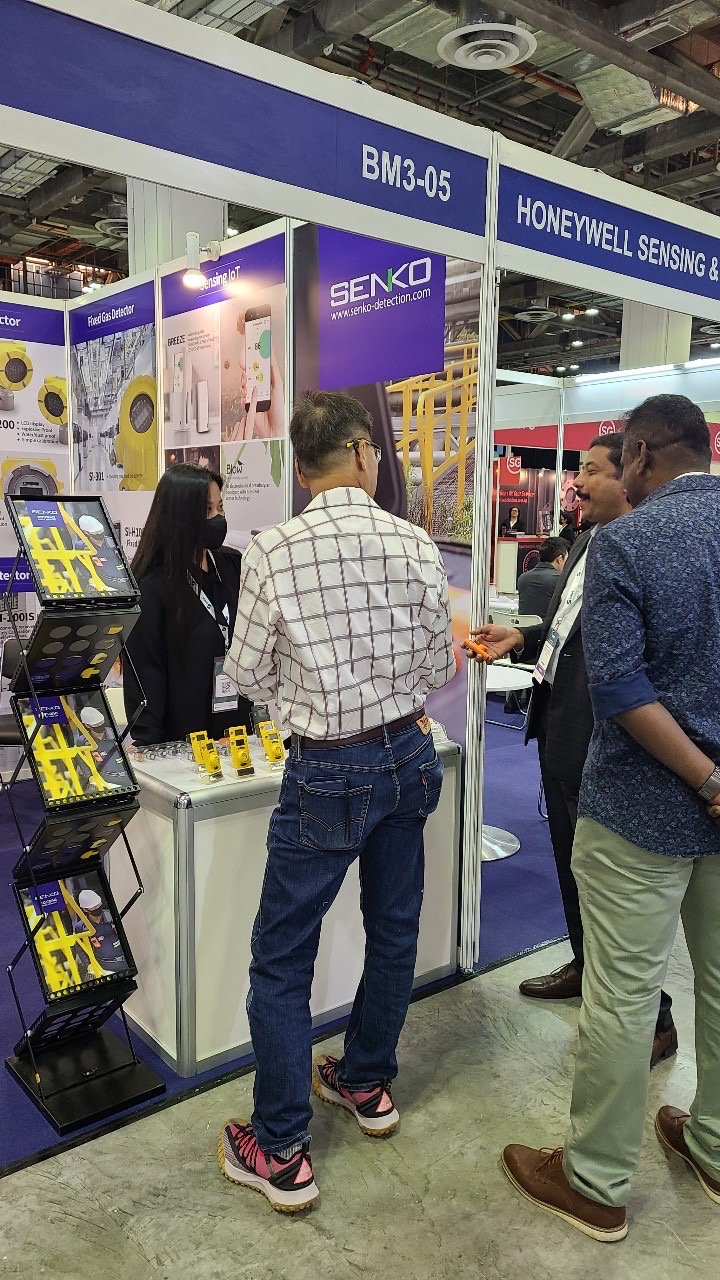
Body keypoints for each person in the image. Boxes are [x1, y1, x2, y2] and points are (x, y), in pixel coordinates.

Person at [218, 391, 454, 1212]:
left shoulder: (272, 549)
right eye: (377, 451)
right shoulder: (414, 540)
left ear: (302, 468)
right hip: (408, 752)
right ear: (360, 452)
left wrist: (308, 689)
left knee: (283, 957)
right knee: (394, 928)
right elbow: (439, 664)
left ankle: (281, 1148)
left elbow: (246, 672)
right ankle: (366, 1080)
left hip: (326, 766)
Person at [501, 394, 720, 1242]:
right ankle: (713, 1145)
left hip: (640, 810)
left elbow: (622, 691)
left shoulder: (629, 540)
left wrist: (707, 778)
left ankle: (594, 1180)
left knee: (623, 995)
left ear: (640, 456)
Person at [471, 434, 676, 1067]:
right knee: (571, 865)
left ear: (630, 476)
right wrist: (522, 636)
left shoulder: (643, 553)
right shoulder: (587, 543)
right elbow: (567, 628)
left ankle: (655, 1018)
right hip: (561, 726)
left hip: (606, 741)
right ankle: (586, 967)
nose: (577, 483)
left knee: (615, 891)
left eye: (590, 471)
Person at [123, 463, 252, 745]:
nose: (218, 518)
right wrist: (149, 746)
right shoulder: (151, 585)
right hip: (183, 747)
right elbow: (146, 673)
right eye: (207, 510)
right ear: (180, 514)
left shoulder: (232, 565)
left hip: (238, 737)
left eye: (220, 507)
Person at [517, 537, 568, 618]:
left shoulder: (522, 578)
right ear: (560, 559)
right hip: (548, 625)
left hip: (523, 625)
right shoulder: (561, 580)